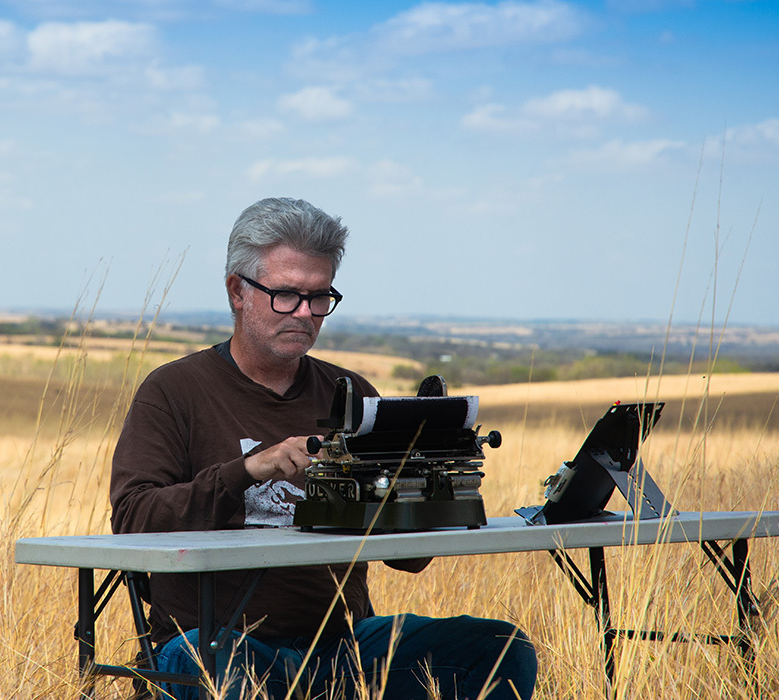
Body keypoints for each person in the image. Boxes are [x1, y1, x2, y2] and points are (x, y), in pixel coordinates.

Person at [110, 197, 536, 699]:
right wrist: (248, 469)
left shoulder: (352, 397)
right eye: (286, 295)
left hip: (341, 647)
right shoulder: (174, 391)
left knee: (498, 649)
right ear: (237, 292)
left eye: (319, 297)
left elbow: (409, 560)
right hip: (220, 644)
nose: (305, 313)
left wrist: (429, 487)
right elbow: (133, 519)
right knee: (216, 666)